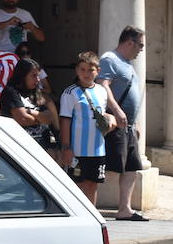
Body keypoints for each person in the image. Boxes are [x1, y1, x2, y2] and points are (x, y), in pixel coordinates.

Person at [99, 26, 147, 221]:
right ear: (130, 42)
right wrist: (117, 110)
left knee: (131, 166)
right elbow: (103, 86)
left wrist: (134, 123)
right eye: (140, 45)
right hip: (115, 123)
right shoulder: (110, 59)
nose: (141, 50)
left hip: (128, 125)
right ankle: (89, 203)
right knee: (110, 166)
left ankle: (124, 208)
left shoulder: (127, 63)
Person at [59, 51, 115, 204]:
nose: (86, 73)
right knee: (76, 185)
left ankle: (92, 217)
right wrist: (66, 147)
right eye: (82, 69)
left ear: (98, 71)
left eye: (90, 70)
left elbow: (102, 115)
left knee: (92, 184)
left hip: (97, 149)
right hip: (77, 150)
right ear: (77, 70)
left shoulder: (102, 91)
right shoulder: (70, 93)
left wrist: (110, 120)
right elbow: (65, 120)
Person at [1, 59, 60, 155]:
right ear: (23, 75)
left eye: (38, 76)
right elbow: (23, 119)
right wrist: (41, 118)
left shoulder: (36, 92)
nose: (38, 79)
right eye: (34, 76)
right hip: (20, 150)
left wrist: (30, 112)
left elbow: (49, 118)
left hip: (43, 148)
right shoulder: (11, 92)